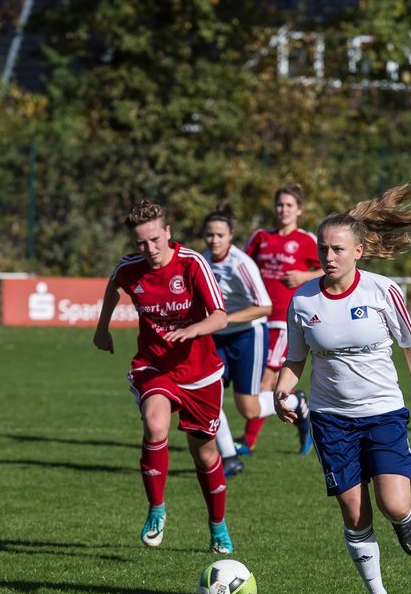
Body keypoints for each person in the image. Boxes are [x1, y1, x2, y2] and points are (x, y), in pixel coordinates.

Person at [274, 184, 411, 594]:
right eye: (323, 249)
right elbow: (295, 358)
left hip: (383, 413)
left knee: (393, 504)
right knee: (354, 514)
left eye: (337, 249)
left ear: (359, 251)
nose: (328, 257)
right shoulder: (302, 300)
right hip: (331, 420)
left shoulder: (382, 291)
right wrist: (281, 388)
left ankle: (404, 521)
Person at [93, 198, 236, 554]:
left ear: (167, 232)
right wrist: (102, 327)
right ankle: (156, 509)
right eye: (141, 243)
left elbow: (221, 316)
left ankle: (217, 526)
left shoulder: (192, 264)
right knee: (155, 425)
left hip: (200, 374)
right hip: (154, 366)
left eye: (155, 240)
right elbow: (113, 287)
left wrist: (194, 330)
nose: (150, 249)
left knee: (204, 455)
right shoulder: (130, 268)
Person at [242, 182, 318, 456]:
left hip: (286, 321)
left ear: (299, 209)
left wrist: (304, 276)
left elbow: (331, 271)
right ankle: (299, 405)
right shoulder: (261, 237)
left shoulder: (307, 240)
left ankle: (247, 443)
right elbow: (242, 265)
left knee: (266, 380)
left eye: (289, 205)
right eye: (280, 205)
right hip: (257, 320)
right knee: (263, 383)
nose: (283, 209)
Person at [201, 202, 274, 478]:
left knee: (249, 409)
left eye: (220, 235)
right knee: (209, 395)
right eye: (210, 235)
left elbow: (264, 307)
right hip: (216, 338)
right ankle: (229, 457)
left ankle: (294, 403)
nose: (214, 240)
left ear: (230, 236)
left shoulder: (241, 263)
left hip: (248, 336)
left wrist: (225, 319)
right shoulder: (202, 260)